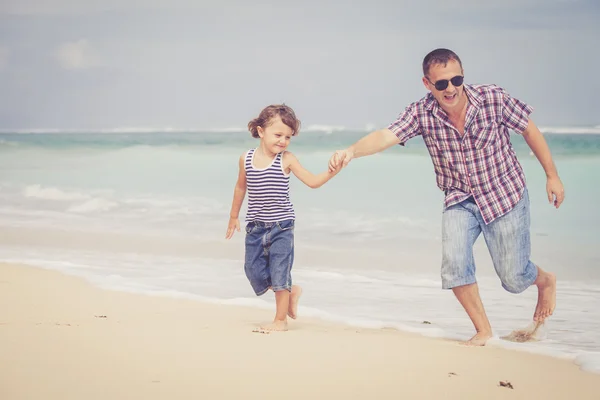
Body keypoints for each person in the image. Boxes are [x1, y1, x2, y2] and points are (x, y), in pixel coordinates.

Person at [328, 48, 563, 345]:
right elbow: (386, 135)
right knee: (454, 266)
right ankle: (483, 331)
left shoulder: (493, 98)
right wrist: (351, 151)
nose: (450, 88)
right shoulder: (421, 113)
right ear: (428, 84)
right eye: (441, 83)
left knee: (514, 279)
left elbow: (529, 130)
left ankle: (545, 281)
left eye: (456, 80)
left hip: (504, 194)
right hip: (459, 198)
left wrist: (551, 175)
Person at [226, 104, 340, 332]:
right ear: (260, 131)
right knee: (253, 271)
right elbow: (240, 188)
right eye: (278, 135)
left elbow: (312, 181)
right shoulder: (246, 159)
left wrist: (332, 170)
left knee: (279, 273)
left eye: (288, 137)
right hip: (255, 228)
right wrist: (233, 216)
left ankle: (280, 320)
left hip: (282, 227)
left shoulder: (286, 159)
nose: (283, 141)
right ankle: (292, 290)